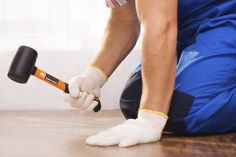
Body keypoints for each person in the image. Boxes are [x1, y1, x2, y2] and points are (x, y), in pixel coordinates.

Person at [62, 0, 236, 147]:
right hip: (186, 25)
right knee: (134, 101)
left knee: (189, 110)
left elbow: (162, 25)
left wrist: (150, 120)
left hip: (227, 17)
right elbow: (124, 16)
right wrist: (94, 77)